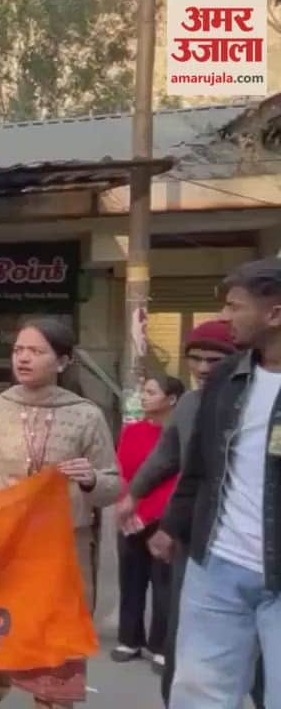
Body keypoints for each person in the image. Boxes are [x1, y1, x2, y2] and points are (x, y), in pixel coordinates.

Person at [0, 318, 120, 709]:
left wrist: (92, 480)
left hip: (63, 553)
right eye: (18, 351)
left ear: (62, 362)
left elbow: (112, 486)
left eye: (36, 351)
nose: (24, 358)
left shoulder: (86, 415)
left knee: (54, 649)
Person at [114, 319, 263, 707]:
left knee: (263, 662)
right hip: (198, 543)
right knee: (188, 648)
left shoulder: (262, 396)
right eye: (195, 359)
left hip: (260, 549)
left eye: (214, 359)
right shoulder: (194, 405)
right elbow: (171, 460)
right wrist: (135, 496)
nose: (202, 368)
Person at [165, 259, 281, 709]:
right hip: (217, 565)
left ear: (274, 314)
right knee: (199, 695)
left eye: (236, 307)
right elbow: (200, 465)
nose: (224, 319)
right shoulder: (226, 380)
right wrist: (174, 528)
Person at [112, 375, 184, 666]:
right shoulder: (131, 431)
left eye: (151, 392)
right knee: (130, 579)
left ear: (172, 399)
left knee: (164, 583)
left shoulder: (180, 434)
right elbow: (123, 472)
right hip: (130, 515)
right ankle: (129, 639)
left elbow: (177, 480)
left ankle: (161, 645)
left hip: (163, 518)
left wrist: (149, 514)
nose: (143, 396)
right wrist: (124, 506)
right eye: (144, 390)